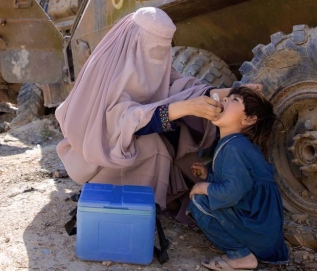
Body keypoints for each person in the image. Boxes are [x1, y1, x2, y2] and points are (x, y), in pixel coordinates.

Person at [55, 7, 234, 221]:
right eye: (155, 48)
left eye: (164, 49)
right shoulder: (109, 68)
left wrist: (223, 93)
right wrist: (185, 108)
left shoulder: (151, 60)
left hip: (129, 138)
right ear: (136, 40)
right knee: (154, 146)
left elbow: (176, 86)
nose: (160, 56)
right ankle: (130, 201)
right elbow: (115, 123)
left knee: (166, 136)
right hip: (98, 156)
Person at [188, 86, 289, 270]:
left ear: (249, 119)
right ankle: (246, 248)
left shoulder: (234, 148)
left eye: (234, 100)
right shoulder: (235, 144)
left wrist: (203, 187)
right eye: (227, 98)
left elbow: (232, 192)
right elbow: (238, 187)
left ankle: (241, 256)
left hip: (258, 230)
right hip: (262, 231)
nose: (225, 100)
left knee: (198, 202)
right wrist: (208, 175)